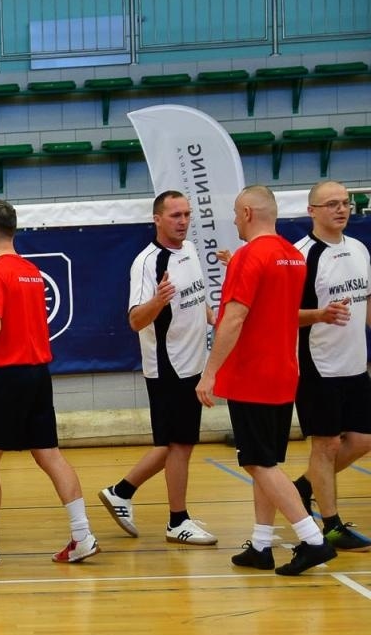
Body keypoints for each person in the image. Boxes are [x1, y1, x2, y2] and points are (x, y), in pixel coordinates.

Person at [0, 199, 98, 567]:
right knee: (49, 454)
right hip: (38, 375)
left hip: (6, 377)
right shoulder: (31, 271)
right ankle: (82, 535)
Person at [197, 186, 335, 576]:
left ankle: (312, 539)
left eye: (235, 215)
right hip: (284, 372)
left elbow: (234, 318)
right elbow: (283, 313)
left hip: (251, 376)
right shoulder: (293, 256)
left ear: (245, 212)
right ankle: (260, 544)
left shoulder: (248, 256)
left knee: (258, 463)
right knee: (267, 461)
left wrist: (209, 373)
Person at [97, 191, 219, 545]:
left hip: (193, 363)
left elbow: (196, 297)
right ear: (158, 219)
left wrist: (211, 315)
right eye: (175, 215)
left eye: (186, 214)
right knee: (179, 444)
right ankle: (177, 521)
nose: (183, 221)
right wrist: (158, 300)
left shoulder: (191, 250)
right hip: (169, 367)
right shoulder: (148, 262)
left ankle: (121, 491)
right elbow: (136, 320)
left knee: (176, 442)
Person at [289, 180, 371, 551]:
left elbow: (365, 302)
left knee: (363, 439)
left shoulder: (359, 249)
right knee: (325, 446)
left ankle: (303, 487)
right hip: (318, 367)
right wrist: (320, 315)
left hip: (355, 364)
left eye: (346, 203)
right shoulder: (300, 256)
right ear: (312, 211)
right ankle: (332, 525)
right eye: (332, 204)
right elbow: (281, 315)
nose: (341, 209)